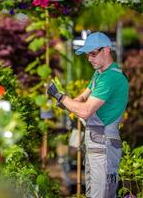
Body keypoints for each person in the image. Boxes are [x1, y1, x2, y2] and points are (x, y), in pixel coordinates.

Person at [47, 32, 129, 198]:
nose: (89, 59)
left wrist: (60, 97)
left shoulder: (110, 78)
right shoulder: (99, 74)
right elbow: (82, 98)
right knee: (93, 194)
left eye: (93, 53)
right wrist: (68, 103)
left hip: (104, 145)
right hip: (95, 145)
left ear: (106, 50)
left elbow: (85, 110)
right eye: (87, 55)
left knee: (102, 194)